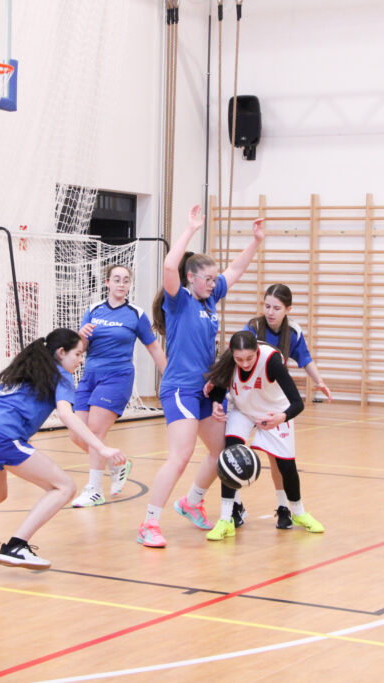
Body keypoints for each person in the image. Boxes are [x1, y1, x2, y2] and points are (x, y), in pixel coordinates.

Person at [0, 328, 125, 569]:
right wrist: (101, 448)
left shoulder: (25, 370)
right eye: (78, 354)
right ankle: (16, 546)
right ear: (61, 352)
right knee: (64, 487)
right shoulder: (61, 376)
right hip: (1, 435)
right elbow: (66, 415)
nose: (80, 361)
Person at [137, 204, 265, 548]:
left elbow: (235, 270)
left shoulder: (210, 299)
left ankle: (192, 501)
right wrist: (191, 228)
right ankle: (149, 523)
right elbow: (169, 266)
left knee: (221, 452)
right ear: (191, 278)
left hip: (207, 390)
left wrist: (255, 241)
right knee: (180, 456)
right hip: (180, 388)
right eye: (207, 279)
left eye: (213, 279)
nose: (213, 283)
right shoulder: (179, 301)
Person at [202, 331, 322, 540]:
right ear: (232, 353)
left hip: (274, 412)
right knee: (230, 456)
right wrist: (216, 403)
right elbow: (220, 384)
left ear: (257, 351)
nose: (245, 363)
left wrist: (281, 417)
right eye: (239, 359)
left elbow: (298, 403)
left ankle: (298, 512)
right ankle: (226, 519)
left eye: (249, 358)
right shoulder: (230, 359)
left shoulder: (271, 361)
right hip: (243, 410)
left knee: (286, 466)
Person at [70, 264, 167, 507]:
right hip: (90, 376)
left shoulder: (135, 314)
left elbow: (154, 347)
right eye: (116, 279)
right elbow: (80, 348)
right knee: (77, 434)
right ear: (107, 282)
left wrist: (169, 377)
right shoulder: (93, 310)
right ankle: (117, 463)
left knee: (95, 431)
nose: (121, 284)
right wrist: (80, 335)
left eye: (125, 280)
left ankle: (95, 489)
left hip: (117, 377)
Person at [244, 283, 332, 529]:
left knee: (279, 459)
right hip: (248, 397)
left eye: (276, 308)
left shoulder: (292, 332)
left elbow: (305, 358)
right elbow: (235, 358)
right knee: (231, 451)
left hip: (274, 400)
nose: (270, 312)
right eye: (267, 306)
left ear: (288, 309)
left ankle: (284, 508)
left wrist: (319, 381)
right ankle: (234, 506)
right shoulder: (253, 327)